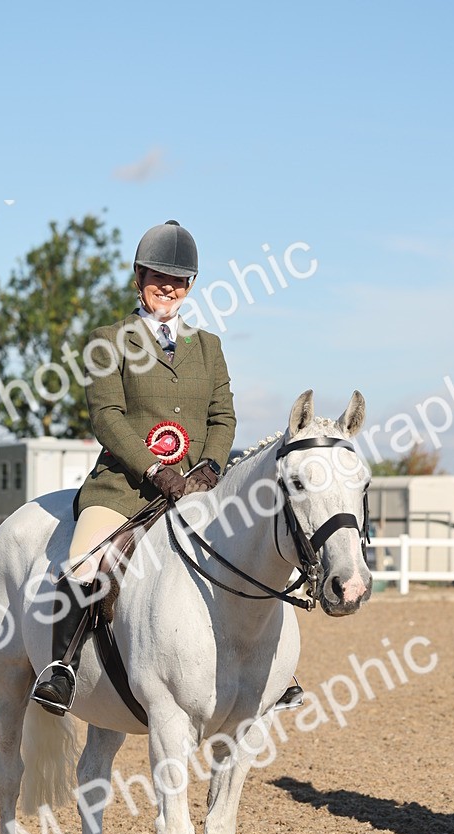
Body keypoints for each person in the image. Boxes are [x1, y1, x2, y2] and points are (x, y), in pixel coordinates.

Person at [32, 220, 302, 715]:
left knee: (254, 549)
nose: (168, 287)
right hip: (126, 487)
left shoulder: (208, 346)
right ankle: (62, 668)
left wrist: (210, 467)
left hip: (198, 489)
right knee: (84, 561)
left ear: (190, 286)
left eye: (178, 280)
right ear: (139, 278)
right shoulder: (108, 341)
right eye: (159, 277)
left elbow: (223, 417)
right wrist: (156, 470)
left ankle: (272, 671)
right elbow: (107, 417)